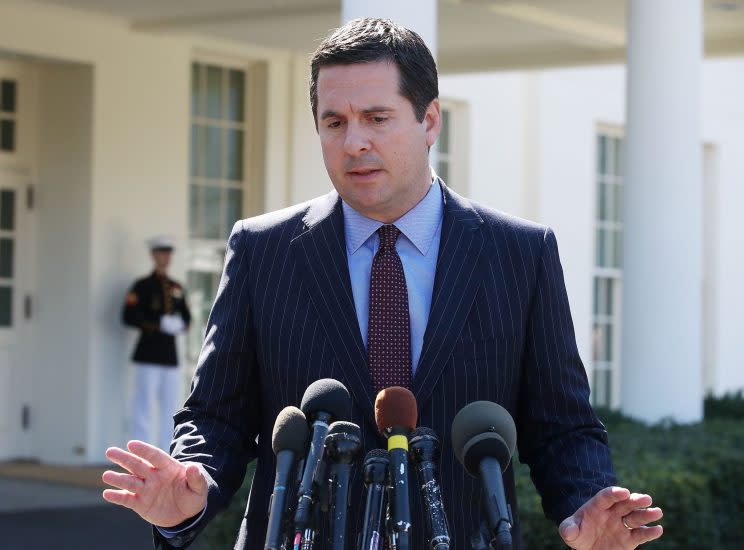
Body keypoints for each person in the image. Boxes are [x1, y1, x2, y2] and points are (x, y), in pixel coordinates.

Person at [103, 18, 663, 550]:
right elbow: (217, 415)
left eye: (376, 117)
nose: (353, 144)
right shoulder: (262, 250)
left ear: (431, 121)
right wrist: (191, 486)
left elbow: (561, 425)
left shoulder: (519, 253)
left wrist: (586, 502)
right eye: (334, 122)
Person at [121, 236, 191, 452]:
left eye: (168, 253)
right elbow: (129, 316)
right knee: (144, 407)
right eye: (162, 252)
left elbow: (187, 317)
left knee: (171, 408)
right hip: (148, 353)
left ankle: (166, 452)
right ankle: (140, 454)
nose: (166, 257)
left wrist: (179, 324)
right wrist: (159, 324)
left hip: (170, 356)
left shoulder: (176, 286)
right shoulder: (142, 286)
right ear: (153, 255)